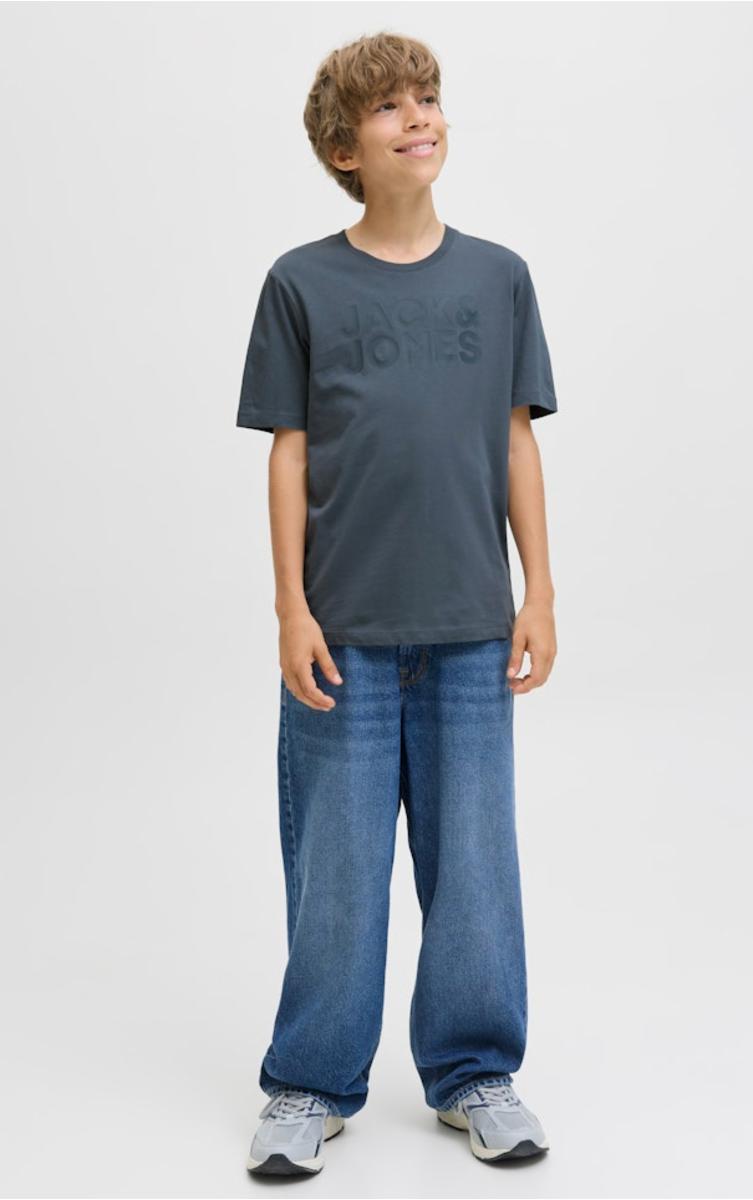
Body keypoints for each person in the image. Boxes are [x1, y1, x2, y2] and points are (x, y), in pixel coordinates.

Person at [236, 30, 558, 1177]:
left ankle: (474, 1074)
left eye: (427, 98)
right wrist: (291, 608)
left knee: (474, 868)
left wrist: (538, 592)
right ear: (343, 148)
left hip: (471, 628)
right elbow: (288, 452)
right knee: (336, 871)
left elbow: (514, 440)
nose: (418, 116)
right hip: (344, 637)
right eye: (389, 107)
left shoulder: (497, 278)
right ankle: (309, 1082)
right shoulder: (301, 283)